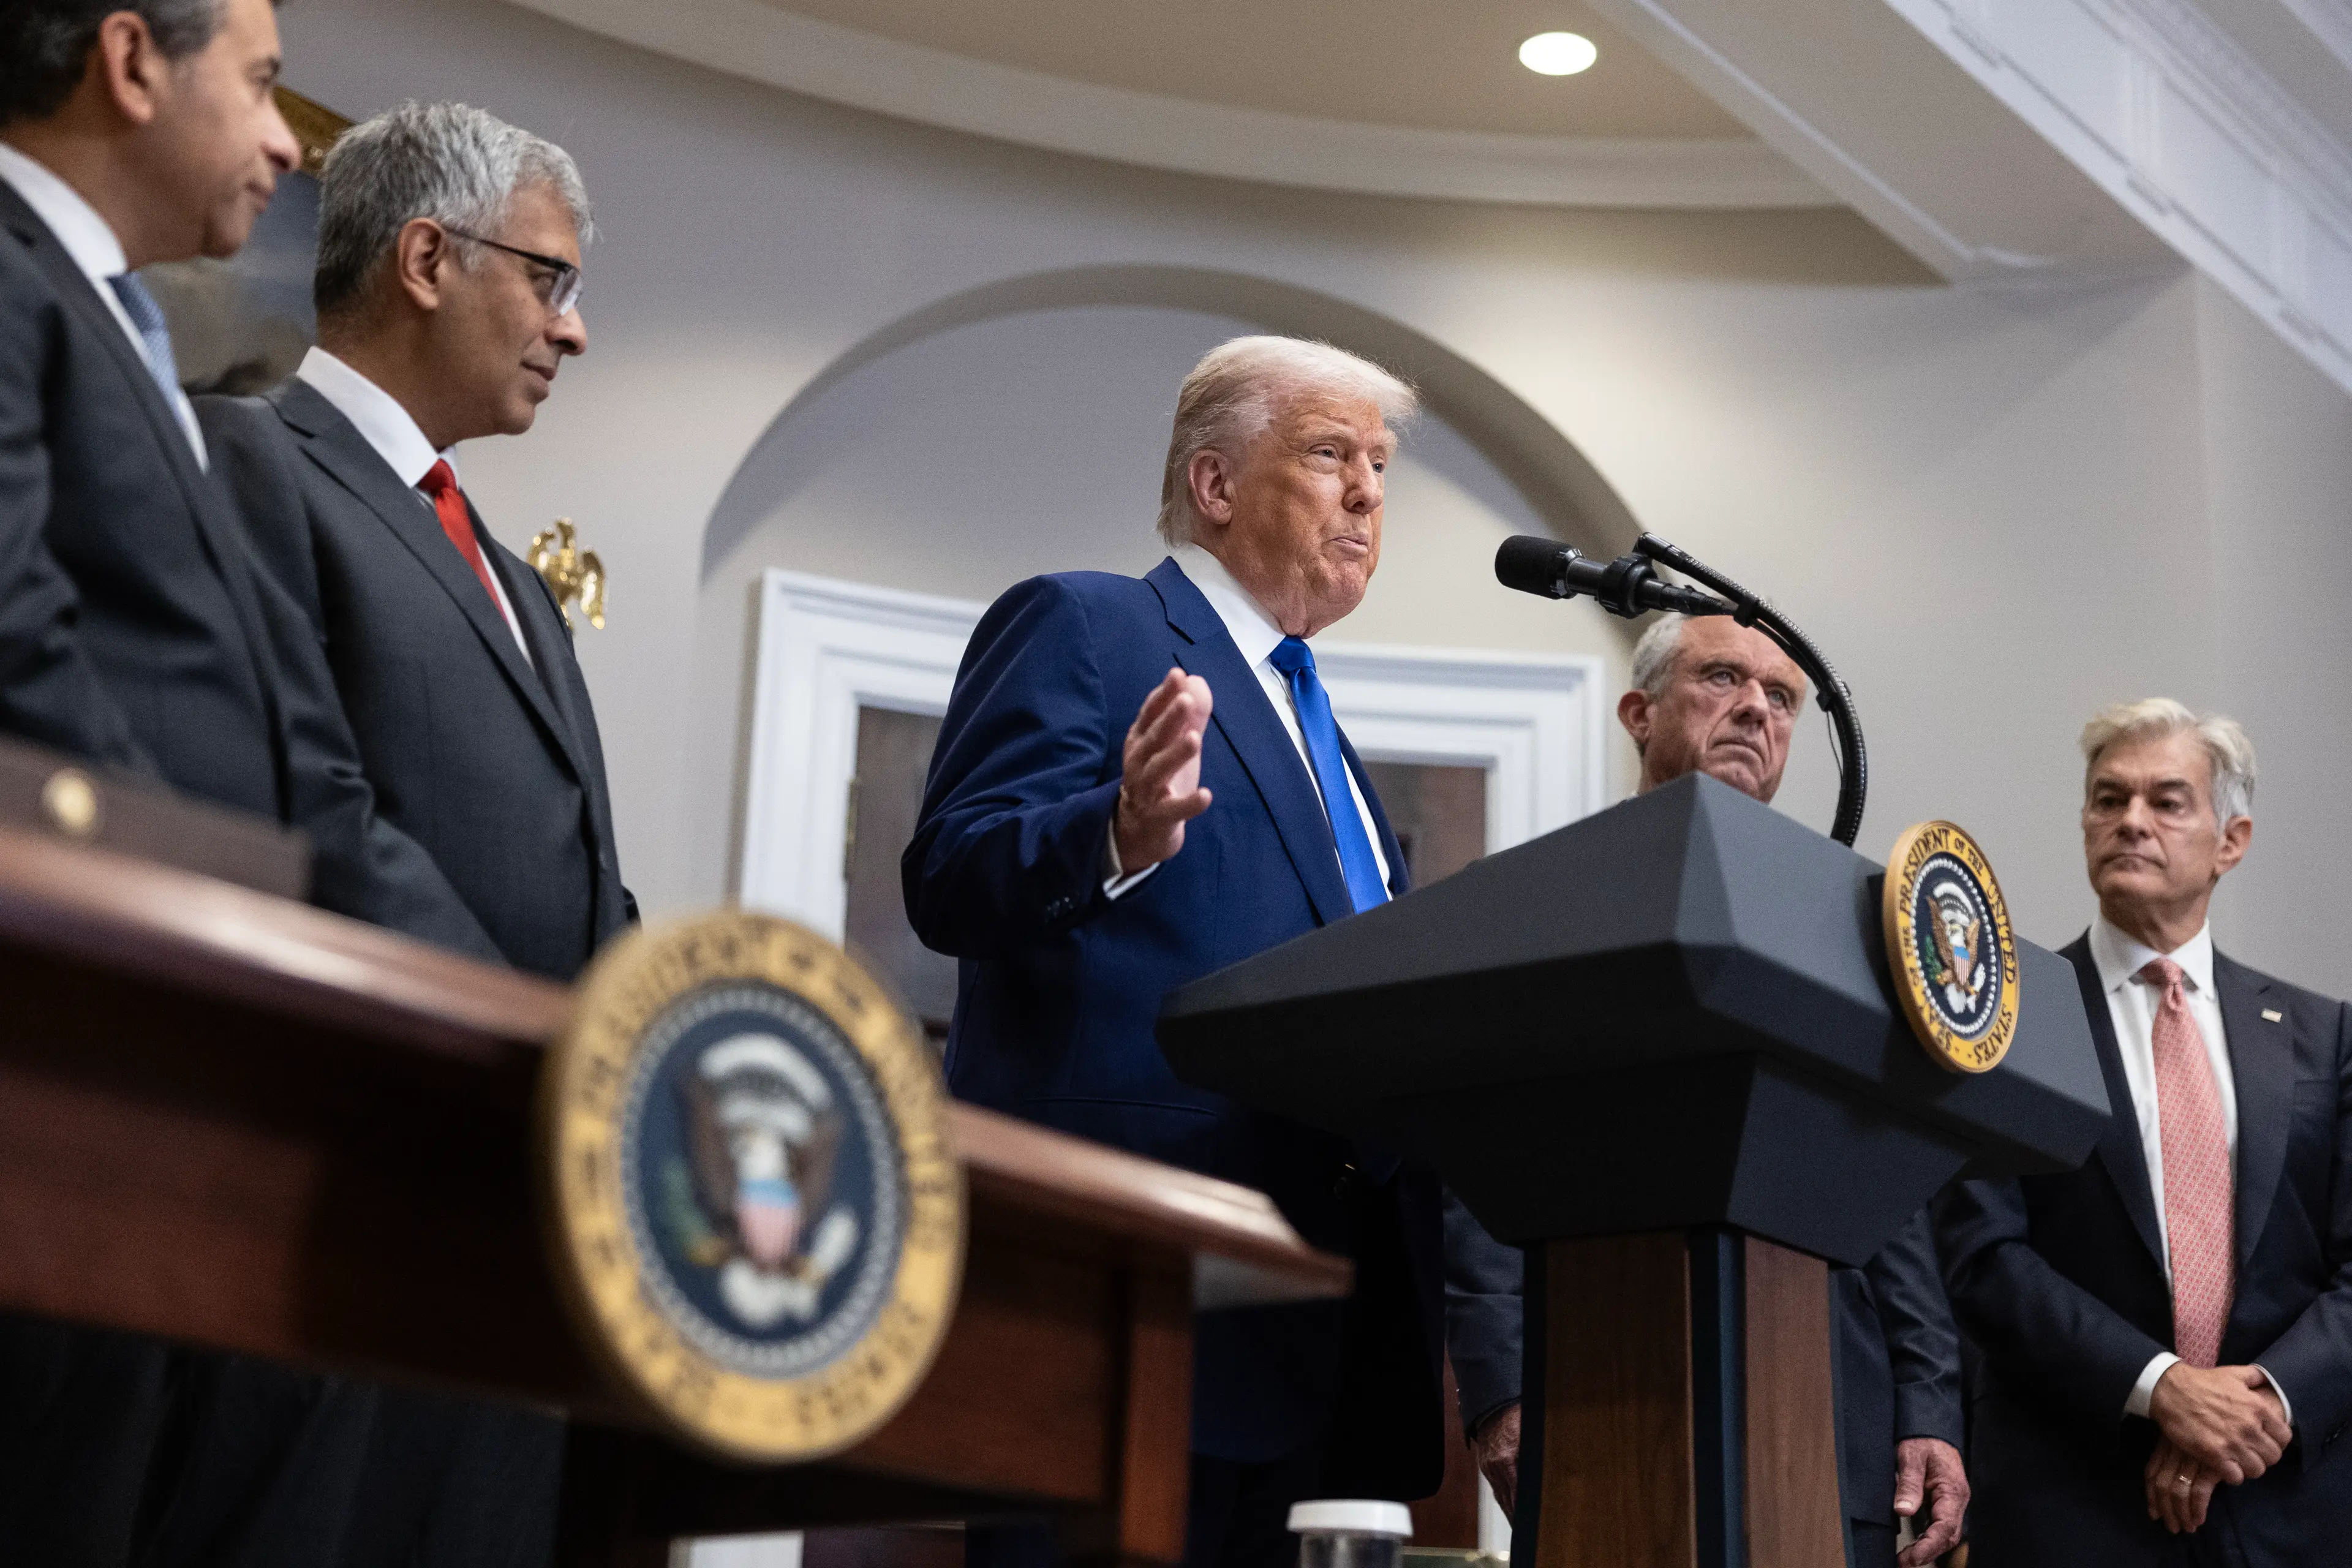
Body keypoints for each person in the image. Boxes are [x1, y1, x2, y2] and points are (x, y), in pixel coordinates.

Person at [904, 336, 1444, 1568]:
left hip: (1312, 1337)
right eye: (1331, 454)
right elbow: (949, 874)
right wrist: (1114, 833)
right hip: (1119, 1311)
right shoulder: (1090, 624)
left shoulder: (1324, 735)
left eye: (1379, 466)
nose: (1367, 494)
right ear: (1215, 485)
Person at [1444, 611, 1970, 1568]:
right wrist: (1501, 1388)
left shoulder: (1852, 923)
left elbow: (1888, 1185)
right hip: (1601, 1393)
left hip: (1829, 1419)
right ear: (1639, 713)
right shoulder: (1531, 899)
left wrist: (1930, 1404)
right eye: (1723, 678)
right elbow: (1479, 1154)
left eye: (1782, 698)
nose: (1756, 710)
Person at [198, 100, 632, 984]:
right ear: (427, 261)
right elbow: (306, 799)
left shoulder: (521, 587)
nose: (574, 333)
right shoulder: (244, 459)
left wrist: (629, 1019)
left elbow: (584, 869)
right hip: (386, 1041)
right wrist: (508, 1020)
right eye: (549, 281)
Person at [1936, 699, 2352, 1564]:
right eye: (2108, 799)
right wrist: (2164, 1391)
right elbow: (1983, 1255)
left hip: (2281, 1505)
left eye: (2167, 801)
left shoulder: (2325, 1035)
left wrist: (2259, 1404)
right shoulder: (2008, 1013)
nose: (2131, 821)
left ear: (2231, 841)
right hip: (2072, 1499)